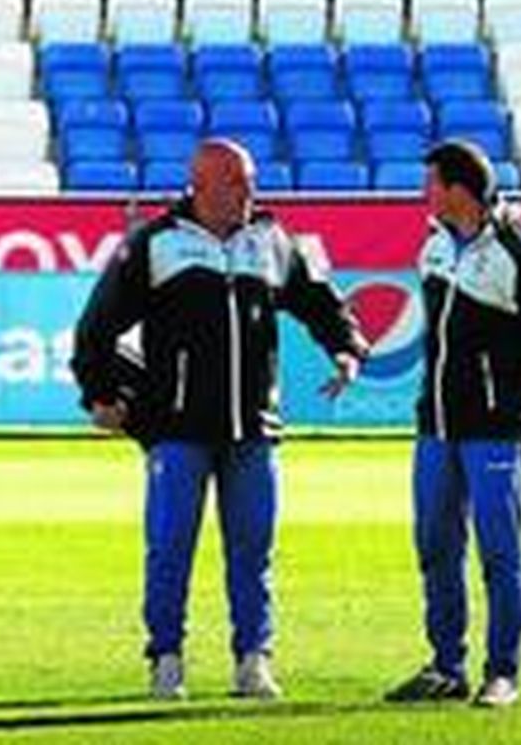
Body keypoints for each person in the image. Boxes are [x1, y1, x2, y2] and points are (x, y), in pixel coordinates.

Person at [72, 139, 368, 702]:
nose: (248, 192)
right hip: (177, 428)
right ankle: (166, 658)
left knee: (254, 552)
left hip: (254, 427)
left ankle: (253, 660)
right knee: (169, 548)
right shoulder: (155, 245)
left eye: (250, 181)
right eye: (235, 182)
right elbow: (96, 328)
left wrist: (347, 347)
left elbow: (318, 300)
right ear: (199, 184)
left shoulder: (273, 241)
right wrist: (100, 394)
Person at [384, 141, 521, 709]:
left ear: (458, 189)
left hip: (495, 426)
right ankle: (447, 666)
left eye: (431, 184)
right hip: (437, 424)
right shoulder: (435, 244)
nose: (424, 194)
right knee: (435, 544)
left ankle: (503, 672)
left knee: (499, 550)